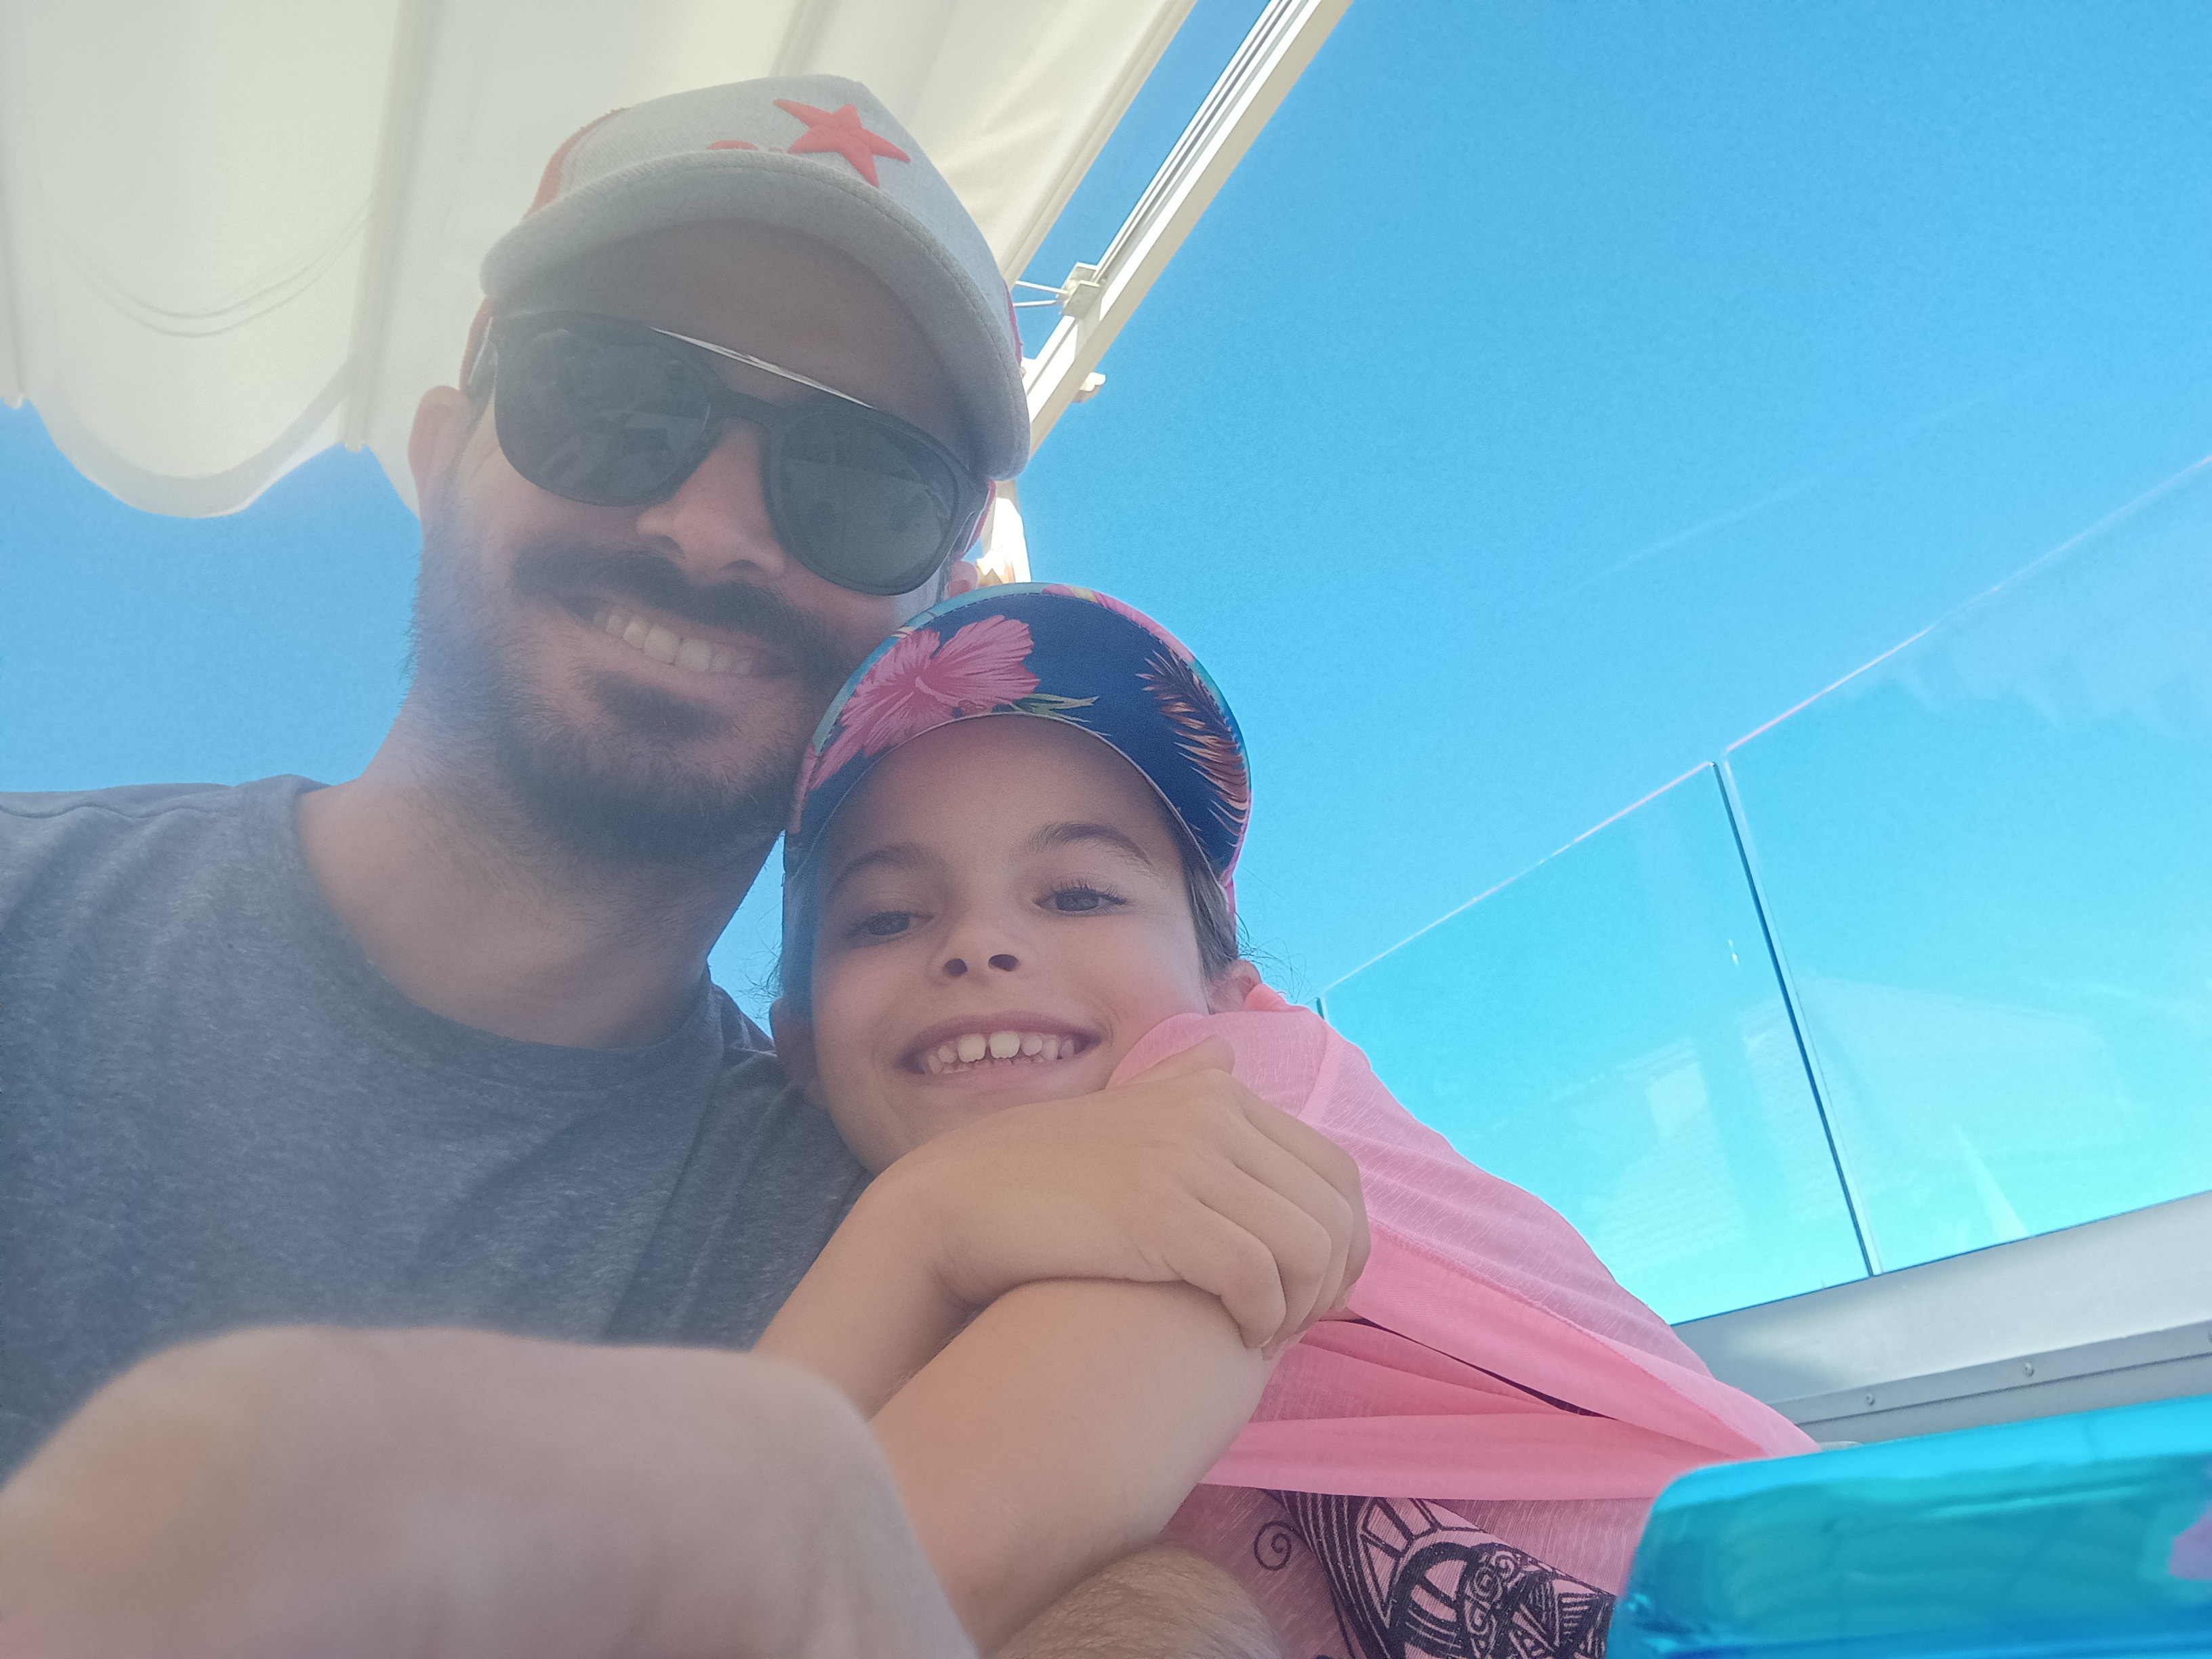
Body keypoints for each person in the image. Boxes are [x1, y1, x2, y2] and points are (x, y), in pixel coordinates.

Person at [0, 77, 1363, 1656]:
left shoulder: (939, 1174)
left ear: (927, 615)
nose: (713, 526)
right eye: (612, 396)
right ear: (442, 452)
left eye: (857, 478)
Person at [755, 584, 1820, 1658]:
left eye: (1079, 894)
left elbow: (838, 1597)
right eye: (887, 917)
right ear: (797, 1045)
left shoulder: (1236, 1088)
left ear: (1226, 992)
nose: (979, 944)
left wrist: (918, 1225)